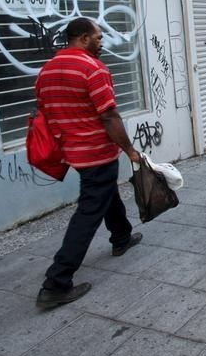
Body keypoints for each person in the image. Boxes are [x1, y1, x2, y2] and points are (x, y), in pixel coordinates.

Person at [35, 17, 142, 308]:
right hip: (96, 151)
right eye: (98, 36)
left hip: (74, 152)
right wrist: (130, 149)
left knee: (105, 192)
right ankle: (56, 283)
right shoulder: (92, 68)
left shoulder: (47, 70)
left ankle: (122, 236)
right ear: (82, 38)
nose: (102, 41)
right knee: (88, 211)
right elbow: (108, 115)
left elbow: (44, 110)